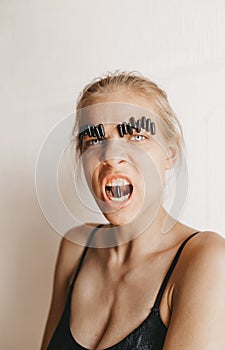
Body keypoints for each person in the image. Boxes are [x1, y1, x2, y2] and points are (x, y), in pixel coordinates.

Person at [40, 72, 225, 350]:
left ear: (170, 153)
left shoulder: (204, 259)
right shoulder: (75, 248)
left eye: (135, 135)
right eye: (93, 140)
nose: (111, 156)